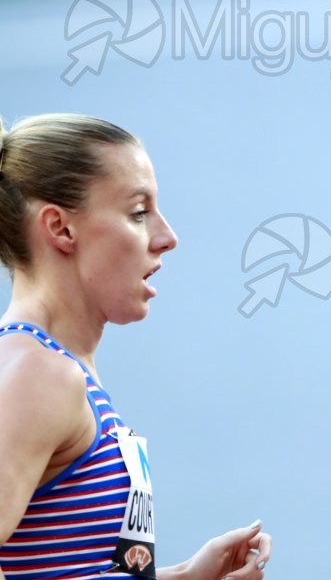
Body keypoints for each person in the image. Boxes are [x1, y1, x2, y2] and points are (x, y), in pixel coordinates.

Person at [0, 114, 271, 579]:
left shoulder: (61, 371)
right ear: (61, 229)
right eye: (138, 213)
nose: (167, 237)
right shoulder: (37, 376)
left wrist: (182, 578)